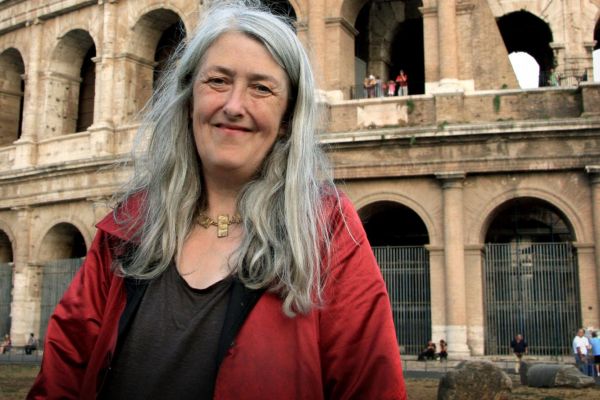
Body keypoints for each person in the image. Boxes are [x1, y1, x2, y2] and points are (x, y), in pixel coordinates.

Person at [28, 3, 406, 399]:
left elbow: (370, 386)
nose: (233, 106)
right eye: (218, 81)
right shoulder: (128, 225)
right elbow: (62, 374)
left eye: (261, 87)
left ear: (288, 118)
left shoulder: (327, 229)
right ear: (189, 98)